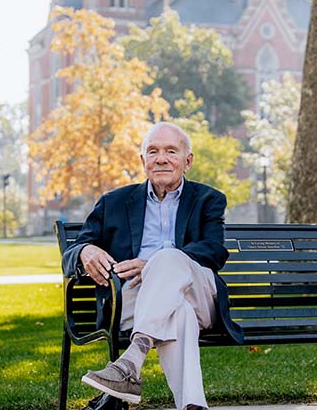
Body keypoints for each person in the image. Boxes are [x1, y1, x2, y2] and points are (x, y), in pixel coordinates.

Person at [61, 122, 243, 410]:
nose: (161, 158)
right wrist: (85, 250)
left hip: (198, 293)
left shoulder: (209, 199)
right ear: (142, 160)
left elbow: (214, 250)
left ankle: (132, 360)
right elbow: (71, 252)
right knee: (178, 313)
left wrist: (152, 265)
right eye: (153, 151)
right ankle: (192, 406)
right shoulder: (114, 202)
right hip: (135, 301)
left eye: (171, 151)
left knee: (168, 258)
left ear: (188, 160)